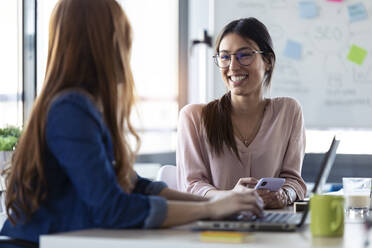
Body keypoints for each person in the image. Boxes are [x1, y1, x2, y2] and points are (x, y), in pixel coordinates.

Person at [0, 1, 264, 246]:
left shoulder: (86, 105)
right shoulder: (70, 109)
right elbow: (112, 208)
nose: (126, 49)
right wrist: (209, 209)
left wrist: (219, 202)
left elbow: (134, 185)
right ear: (104, 42)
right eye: (122, 37)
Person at [177, 18, 306, 209]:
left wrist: (284, 195)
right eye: (225, 56)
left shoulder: (288, 112)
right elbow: (191, 185)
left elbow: (294, 181)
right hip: (214, 229)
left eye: (244, 55)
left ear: (268, 61)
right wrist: (230, 197)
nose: (233, 66)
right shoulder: (194, 117)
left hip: (270, 227)